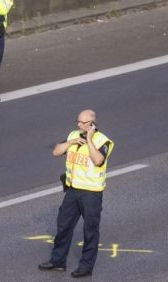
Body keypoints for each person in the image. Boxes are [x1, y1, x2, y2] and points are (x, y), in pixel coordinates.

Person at [39, 109, 114, 278]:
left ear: (92, 124)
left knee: (90, 230)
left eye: (83, 123)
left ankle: (86, 266)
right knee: (63, 225)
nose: (79, 125)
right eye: (78, 121)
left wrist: (89, 140)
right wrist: (71, 142)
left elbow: (98, 160)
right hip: (72, 191)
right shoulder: (73, 135)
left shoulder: (103, 141)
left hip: (91, 194)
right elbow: (56, 151)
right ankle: (58, 261)